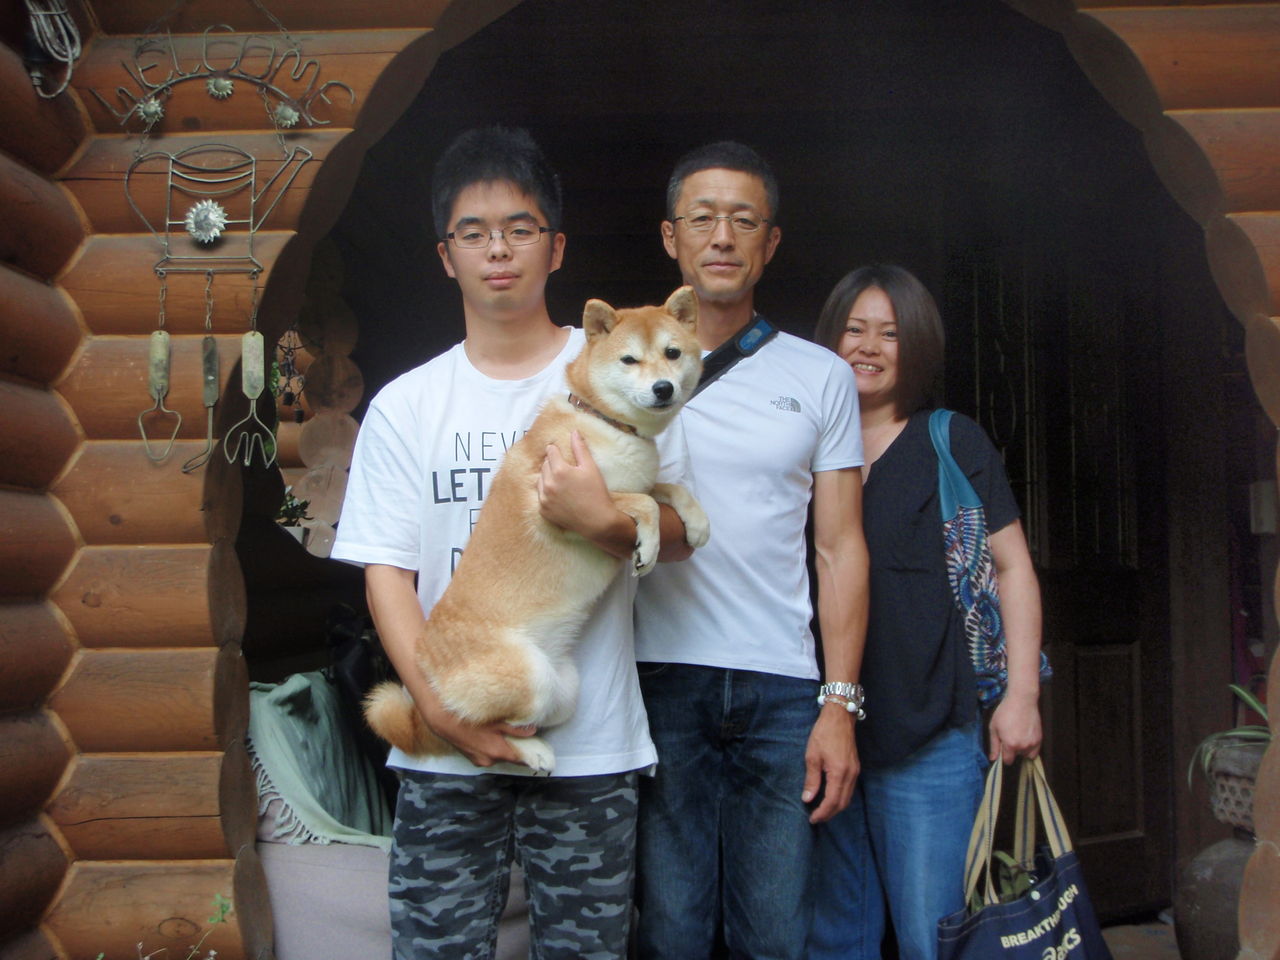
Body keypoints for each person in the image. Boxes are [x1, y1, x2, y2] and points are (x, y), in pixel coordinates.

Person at [332, 125, 693, 959]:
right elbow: (387, 574)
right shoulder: (406, 405)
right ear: (445, 255)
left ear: (556, 247)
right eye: (474, 232)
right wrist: (435, 707)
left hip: (588, 744)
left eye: (520, 229)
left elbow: (676, 536)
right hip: (446, 749)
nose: (498, 250)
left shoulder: (630, 365)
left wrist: (601, 518)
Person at [632, 141, 871, 959]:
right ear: (671, 237)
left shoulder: (821, 376)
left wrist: (839, 703)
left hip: (781, 687)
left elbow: (840, 547)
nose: (723, 237)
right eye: (703, 219)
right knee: (672, 932)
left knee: (775, 935)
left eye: (743, 220)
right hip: (658, 675)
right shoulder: (622, 364)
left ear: (770, 243)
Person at [808, 264, 1046, 960]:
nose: (868, 347)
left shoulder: (950, 440)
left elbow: (1013, 568)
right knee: (833, 942)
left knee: (931, 938)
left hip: (930, 737)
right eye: (854, 329)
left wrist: (1022, 697)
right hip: (817, 731)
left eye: (889, 334)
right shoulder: (801, 446)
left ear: (916, 347)